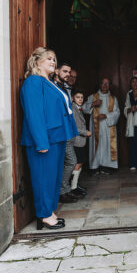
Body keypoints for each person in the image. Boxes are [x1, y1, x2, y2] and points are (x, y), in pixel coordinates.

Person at [20, 47, 78, 230]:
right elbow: (34, 114)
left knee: (53, 177)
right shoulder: (33, 83)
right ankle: (44, 214)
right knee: (43, 178)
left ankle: (49, 210)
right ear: (37, 62)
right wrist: (41, 141)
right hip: (45, 140)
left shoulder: (50, 83)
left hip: (57, 137)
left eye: (54, 59)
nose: (53, 62)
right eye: (49, 59)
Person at [54, 62, 80, 202]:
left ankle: (66, 189)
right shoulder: (54, 86)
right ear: (57, 71)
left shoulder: (65, 87)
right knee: (70, 161)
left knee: (70, 161)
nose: (68, 75)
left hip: (68, 131)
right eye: (65, 71)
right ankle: (62, 191)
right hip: (60, 132)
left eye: (69, 73)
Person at [84, 78, 120, 174]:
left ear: (109, 86)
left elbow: (117, 113)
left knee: (107, 146)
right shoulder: (93, 97)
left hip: (108, 127)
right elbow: (83, 108)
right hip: (96, 126)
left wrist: (106, 116)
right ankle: (95, 166)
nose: (105, 85)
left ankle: (106, 166)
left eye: (107, 84)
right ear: (100, 85)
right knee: (96, 146)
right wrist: (94, 103)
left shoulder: (113, 98)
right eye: (103, 83)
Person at [70, 90, 91, 195]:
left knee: (80, 163)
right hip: (76, 141)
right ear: (73, 98)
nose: (80, 99)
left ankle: (75, 185)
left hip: (80, 141)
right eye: (78, 97)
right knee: (77, 164)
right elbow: (74, 127)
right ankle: (73, 188)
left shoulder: (79, 109)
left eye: (82, 97)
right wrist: (85, 132)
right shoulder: (73, 109)